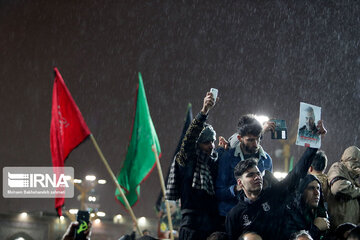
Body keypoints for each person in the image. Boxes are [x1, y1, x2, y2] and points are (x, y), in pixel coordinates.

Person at [225, 148, 318, 240]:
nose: (257, 177)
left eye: (258, 174)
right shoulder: (234, 215)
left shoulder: (275, 194)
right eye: (251, 175)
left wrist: (312, 147)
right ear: (240, 183)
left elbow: (296, 174)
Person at [166, 92, 220, 240]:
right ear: (197, 144)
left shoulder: (213, 162)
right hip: (192, 225)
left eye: (213, 141)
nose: (211, 146)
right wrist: (204, 111)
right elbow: (189, 138)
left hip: (212, 225)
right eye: (207, 142)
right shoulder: (187, 160)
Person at [216, 114, 273, 218]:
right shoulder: (227, 157)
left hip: (257, 218)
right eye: (250, 140)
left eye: (258, 138)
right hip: (230, 217)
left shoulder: (266, 160)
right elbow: (218, 192)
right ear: (239, 138)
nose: (255, 144)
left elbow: (270, 193)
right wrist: (235, 189)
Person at [283, 174, 330, 240]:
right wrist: (316, 228)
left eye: (318, 188)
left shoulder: (322, 213)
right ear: (301, 192)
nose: (316, 193)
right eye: (311, 188)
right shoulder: (290, 216)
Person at [327, 146, 360, 228]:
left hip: (352, 227)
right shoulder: (338, 167)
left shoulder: (355, 176)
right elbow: (338, 188)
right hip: (340, 227)